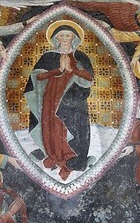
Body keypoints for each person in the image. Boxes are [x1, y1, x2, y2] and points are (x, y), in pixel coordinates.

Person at [31, 23, 94, 179]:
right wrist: (57, 70)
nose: (65, 38)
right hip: (52, 95)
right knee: (52, 124)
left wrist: (73, 70)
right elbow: (37, 77)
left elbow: (89, 80)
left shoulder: (81, 57)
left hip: (73, 97)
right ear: (55, 37)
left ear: (74, 37)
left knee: (69, 124)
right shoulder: (49, 56)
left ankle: (71, 156)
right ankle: (53, 154)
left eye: (68, 35)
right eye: (61, 35)